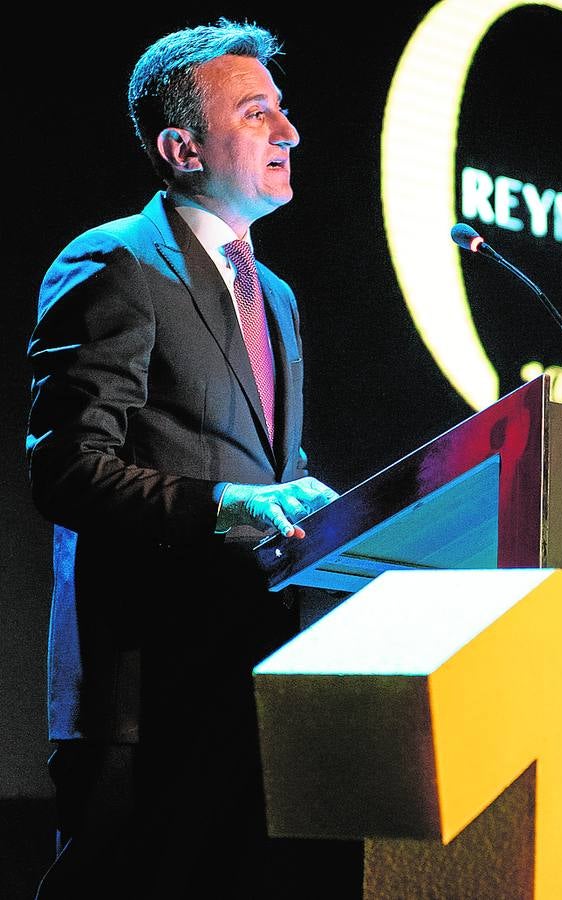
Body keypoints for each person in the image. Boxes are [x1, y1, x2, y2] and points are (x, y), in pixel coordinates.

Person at [26, 18, 348, 898]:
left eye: (282, 110)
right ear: (182, 147)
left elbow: (268, 462)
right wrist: (225, 507)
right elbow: (66, 469)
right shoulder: (113, 264)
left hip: (247, 681)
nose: (289, 132)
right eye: (256, 115)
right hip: (141, 693)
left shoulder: (271, 293)